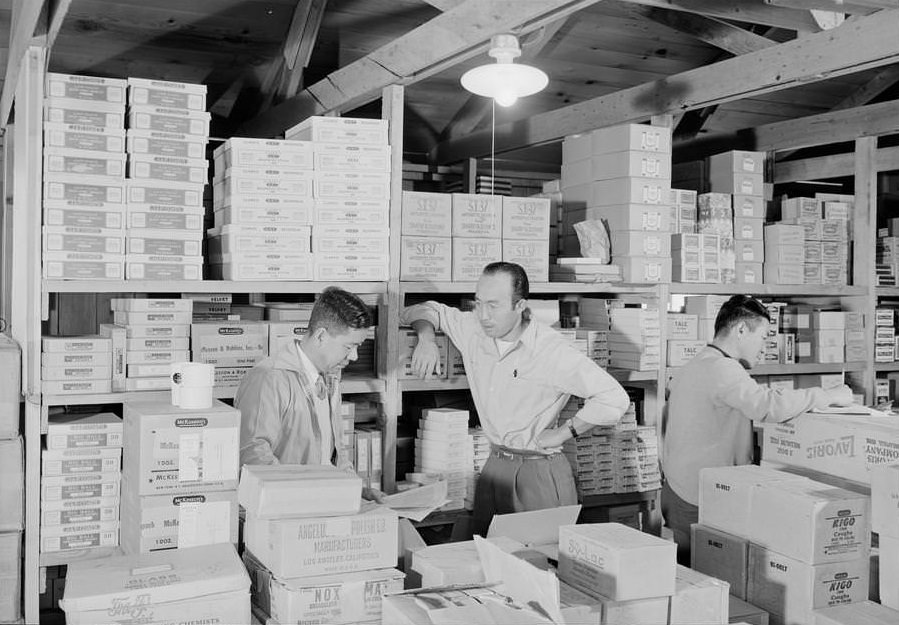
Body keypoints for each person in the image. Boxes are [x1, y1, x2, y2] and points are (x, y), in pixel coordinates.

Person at [402, 261, 630, 535]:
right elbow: (422, 309)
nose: (483, 314)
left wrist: (563, 433)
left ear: (520, 306)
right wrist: (426, 339)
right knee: (488, 556)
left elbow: (614, 398)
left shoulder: (551, 351)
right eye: (478, 303)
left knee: (540, 562)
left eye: (494, 305)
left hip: (538, 471)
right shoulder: (474, 330)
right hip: (495, 467)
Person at [661, 294, 853, 564]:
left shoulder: (694, 365)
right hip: (699, 498)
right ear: (741, 330)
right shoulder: (723, 369)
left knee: (689, 579)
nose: (764, 348)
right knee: (711, 580)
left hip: (677, 489)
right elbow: (767, 406)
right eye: (763, 337)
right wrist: (828, 395)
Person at [236, 286, 373, 469]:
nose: (354, 356)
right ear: (321, 336)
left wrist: (353, 488)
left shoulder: (330, 377)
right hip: (288, 496)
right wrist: (300, 495)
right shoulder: (269, 378)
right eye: (349, 347)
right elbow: (253, 455)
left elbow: (332, 453)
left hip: (320, 495)